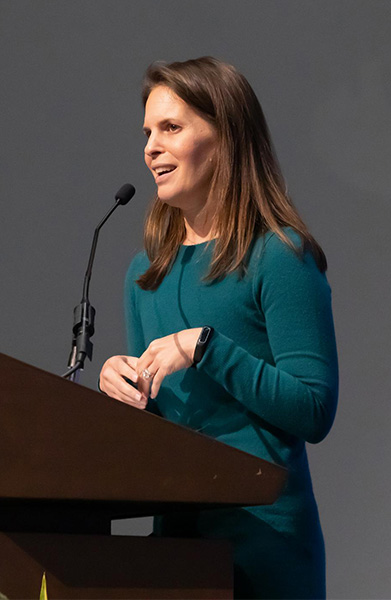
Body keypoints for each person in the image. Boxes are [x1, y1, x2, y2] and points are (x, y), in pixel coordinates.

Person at [99, 56, 339, 599]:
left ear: (226, 136)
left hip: (265, 550)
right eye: (147, 132)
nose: (150, 147)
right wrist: (124, 390)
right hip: (178, 552)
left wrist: (207, 348)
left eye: (171, 128)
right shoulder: (145, 273)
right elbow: (161, 425)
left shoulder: (279, 257)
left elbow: (315, 409)